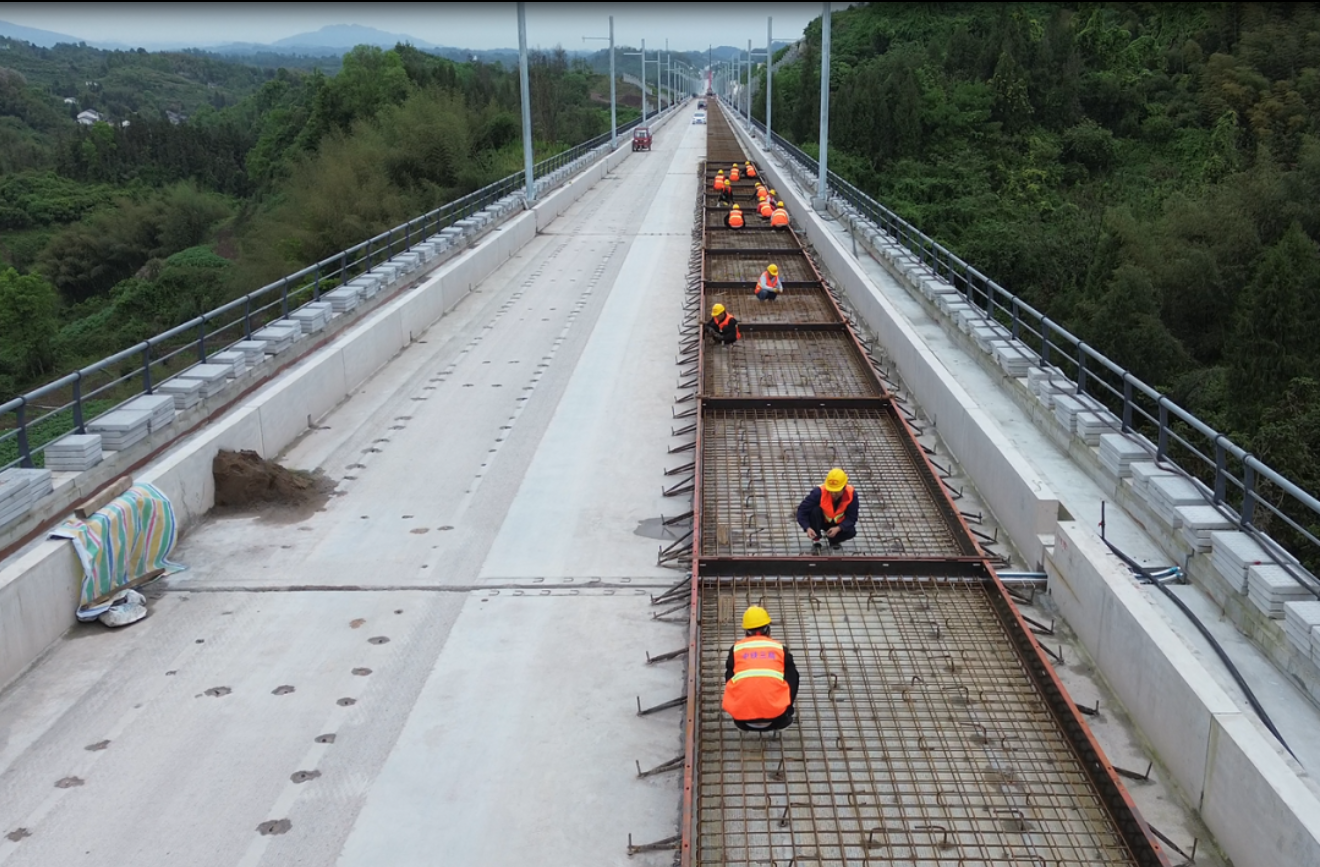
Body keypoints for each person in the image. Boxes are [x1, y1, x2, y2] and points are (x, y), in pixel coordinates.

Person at [722, 606, 800, 732]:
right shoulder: (779, 649)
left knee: (732, 671)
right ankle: (786, 711)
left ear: (746, 632)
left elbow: (729, 678)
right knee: (791, 671)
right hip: (777, 718)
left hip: (742, 719)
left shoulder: (736, 649)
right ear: (768, 630)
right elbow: (793, 678)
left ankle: (739, 707)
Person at [797, 468, 859, 550]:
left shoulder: (851, 495)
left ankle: (833, 539)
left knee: (851, 532)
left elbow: (852, 518)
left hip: (837, 524)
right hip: (821, 521)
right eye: (831, 490)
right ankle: (816, 537)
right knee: (815, 510)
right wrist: (807, 527)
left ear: (844, 487)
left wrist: (839, 528)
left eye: (836, 491)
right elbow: (802, 511)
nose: (833, 494)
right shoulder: (818, 492)